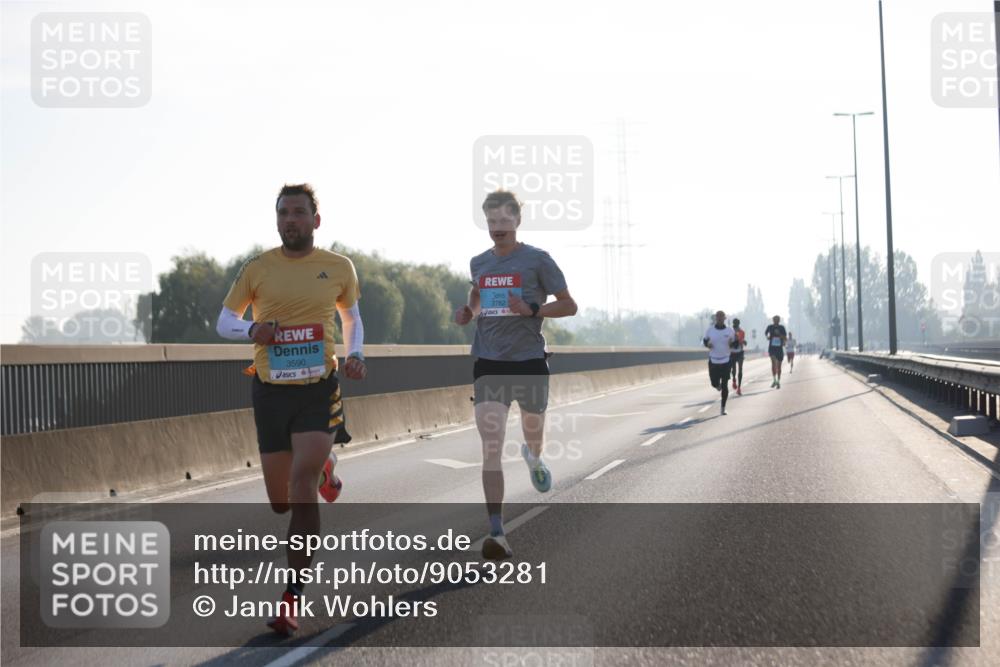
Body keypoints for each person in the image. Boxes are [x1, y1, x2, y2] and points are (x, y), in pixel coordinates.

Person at [216, 183, 367, 635]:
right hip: (270, 390)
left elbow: (352, 317)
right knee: (281, 503)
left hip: (317, 389)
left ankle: (291, 598)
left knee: (300, 486)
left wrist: (356, 353)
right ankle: (324, 468)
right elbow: (225, 319)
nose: (290, 220)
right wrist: (251, 331)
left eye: (299, 213)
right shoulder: (257, 268)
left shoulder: (338, 267)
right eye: (284, 213)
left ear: (315, 221)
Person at [454, 190, 577, 560]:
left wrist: (532, 308)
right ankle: (497, 531)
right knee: (491, 444)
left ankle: (534, 457)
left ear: (517, 221)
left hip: (528, 361)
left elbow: (570, 305)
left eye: (504, 221)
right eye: (491, 221)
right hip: (489, 362)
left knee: (532, 432)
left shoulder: (537, 260)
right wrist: (469, 312)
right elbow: (477, 295)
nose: (497, 228)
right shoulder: (478, 262)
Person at [703, 310, 735, 415]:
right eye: (718, 316)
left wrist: (732, 344)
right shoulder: (710, 330)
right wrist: (708, 344)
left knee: (725, 385)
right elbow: (705, 341)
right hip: (713, 360)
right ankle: (717, 385)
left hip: (726, 360)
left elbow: (735, 343)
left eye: (722, 316)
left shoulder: (730, 331)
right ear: (715, 318)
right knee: (714, 383)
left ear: (725, 318)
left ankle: (723, 408)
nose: (720, 318)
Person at [763, 315, 787, 388]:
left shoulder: (781, 328)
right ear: (773, 320)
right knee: (773, 364)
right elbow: (766, 333)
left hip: (779, 349)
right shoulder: (770, 327)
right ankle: (774, 380)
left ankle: (778, 382)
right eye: (774, 319)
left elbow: (785, 338)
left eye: (777, 319)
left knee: (779, 367)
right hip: (772, 348)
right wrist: (767, 336)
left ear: (779, 320)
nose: (776, 321)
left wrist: (779, 335)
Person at [730, 317, 747, 395]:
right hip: (732, 352)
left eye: (737, 323)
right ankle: (734, 380)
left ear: (738, 324)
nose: (735, 324)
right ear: (733, 323)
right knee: (734, 370)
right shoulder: (730, 331)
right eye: (735, 323)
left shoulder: (742, 332)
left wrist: (743, 342)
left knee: (740, 370)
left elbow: (742, 340)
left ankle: (739, 388)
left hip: (740, 352)